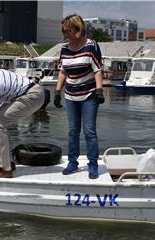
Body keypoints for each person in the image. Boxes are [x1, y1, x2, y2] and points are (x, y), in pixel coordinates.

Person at [54, 14, 105, 179]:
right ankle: (72, 163)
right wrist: (57, 92)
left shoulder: (91, 46)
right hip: (70, 95)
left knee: (89, 131)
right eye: (64, 31)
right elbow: (62, 71)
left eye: (68, 30)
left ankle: (93, 165)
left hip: (89, 94)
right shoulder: (64, 48)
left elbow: (97, 69)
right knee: (72, 131)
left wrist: (99, 90)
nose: (66, 34)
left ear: (78, 29)